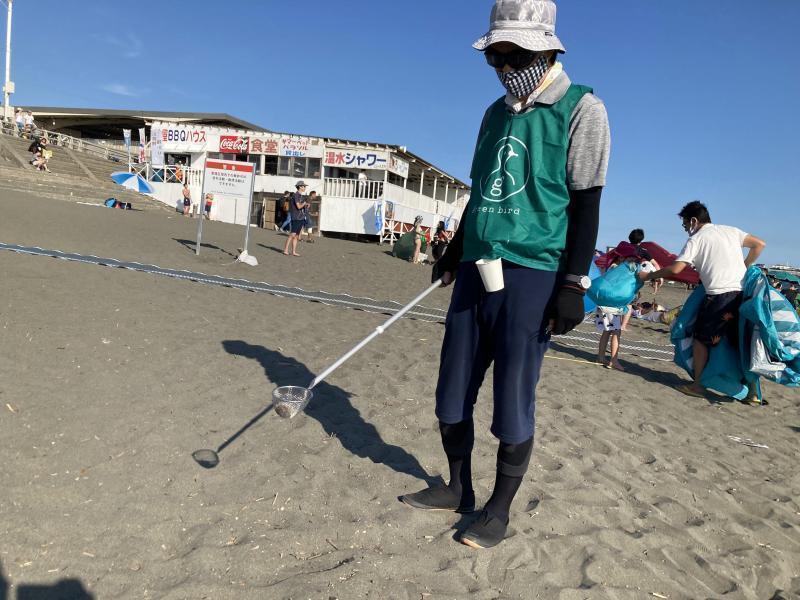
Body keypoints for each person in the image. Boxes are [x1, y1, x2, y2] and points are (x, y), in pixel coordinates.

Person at [400, 0, 610, 549]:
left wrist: (573, 284)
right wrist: (452, 250)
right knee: (451, 391)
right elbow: (482, 189)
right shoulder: (494, 113)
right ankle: (458, 487)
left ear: (545, 49)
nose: (501, 66)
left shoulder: (583, 109)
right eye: (493, 55)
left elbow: (586, 204)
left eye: (511, 54)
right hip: (478, 263)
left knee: (513, 396)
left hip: (535, 270)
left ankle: (499, 507)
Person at [639, 201, 766, 398]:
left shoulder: (696, 239)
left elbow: (675, 269)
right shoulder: (730, 231)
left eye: (684, 225)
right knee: (740, 341)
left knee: (700, 340)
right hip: (741, 294)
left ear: (694, 221)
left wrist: (648, 277)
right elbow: (759, 244)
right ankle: (753, 393)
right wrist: (744, 266)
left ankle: (698, 385)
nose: (685, 230)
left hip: (719, 297)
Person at [283, 181, 310, 256]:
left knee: (297, 236)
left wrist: (306, 205)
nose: (305, 187)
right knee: (292, 234)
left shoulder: (301, 196)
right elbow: (298, 206)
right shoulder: (296, 195)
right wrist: (304, 203)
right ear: (300, 187)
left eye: (305, 186)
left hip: (301, 218)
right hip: (296, 217)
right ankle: (285, 250)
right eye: (304, 186)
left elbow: (301, 206)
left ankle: (293, 251)